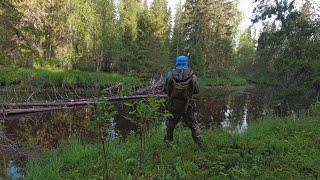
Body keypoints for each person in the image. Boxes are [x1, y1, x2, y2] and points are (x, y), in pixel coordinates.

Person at [163, 55, 203, 146]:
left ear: (177, 62)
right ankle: (200, 144)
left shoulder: (170, 74)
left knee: (170, 125)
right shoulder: (192, 76)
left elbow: (166, 90)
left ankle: (168, 145)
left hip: (173, 105)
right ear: (186, 63)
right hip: (187, 105)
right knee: (193, 125)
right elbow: (196, 90)